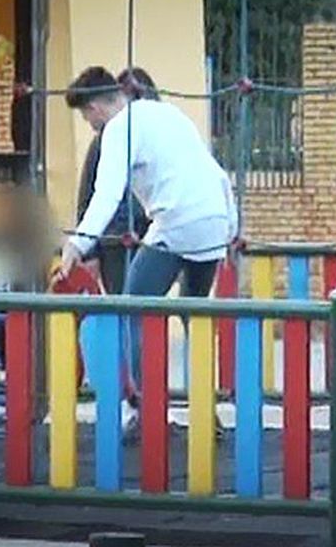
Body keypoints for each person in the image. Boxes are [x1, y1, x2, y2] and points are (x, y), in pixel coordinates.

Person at [57, 66, 237, 429]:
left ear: (95, 108)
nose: (91, 126)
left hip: (176, 222)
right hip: (215, 221)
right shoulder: (168, 114)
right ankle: (206, 413)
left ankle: (146, 409)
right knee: (194, 315)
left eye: (87, 118)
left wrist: (78, 243)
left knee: (133, 308)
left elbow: (106, 195)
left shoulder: (118, 129)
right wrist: (231, 229)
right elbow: (215, 172)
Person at [74, 67, 159, 295]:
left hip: (150, 237)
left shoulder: (154, 138)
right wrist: (89, 252)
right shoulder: (105, 141)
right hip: (115, 243)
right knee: (124, 302)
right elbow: (88, 197)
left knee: (150, 304)